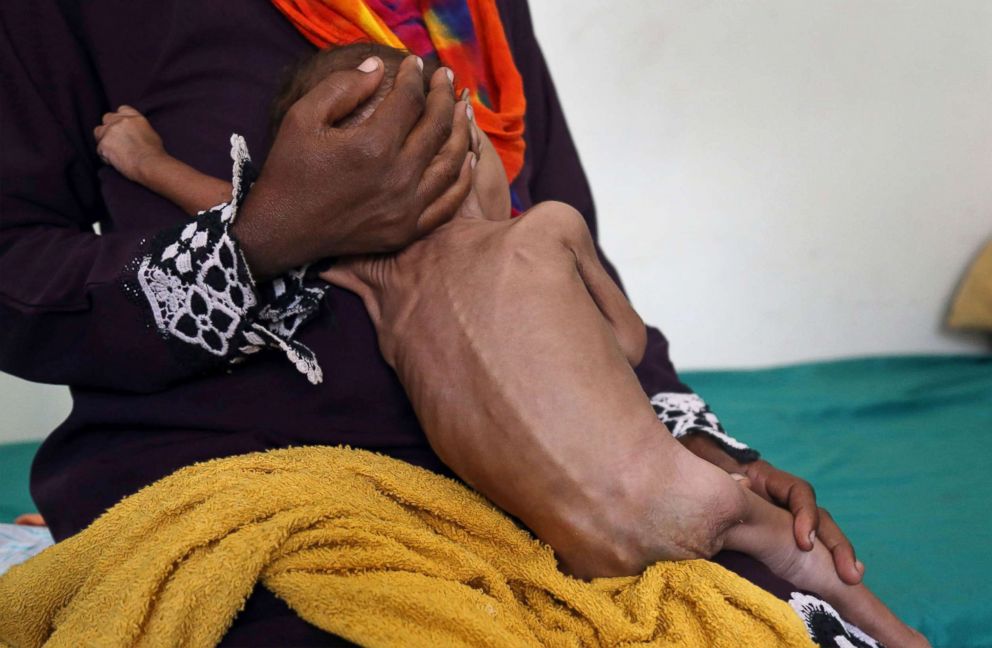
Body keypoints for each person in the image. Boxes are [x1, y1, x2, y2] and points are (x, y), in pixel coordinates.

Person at [0, 1, 872, 644]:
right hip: (263, 493)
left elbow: (587, 291)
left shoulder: (481, 19)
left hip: (554, 503)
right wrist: (265, 234)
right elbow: (16, 274)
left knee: (803, 622)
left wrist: (700, 442)